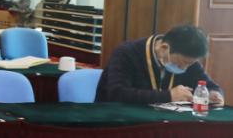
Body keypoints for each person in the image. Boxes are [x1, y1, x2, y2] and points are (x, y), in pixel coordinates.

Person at [96, 24, 224, 105]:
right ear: (164, 48)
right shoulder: (126, 53)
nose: (185, 68)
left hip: (163, 123)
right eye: (183, 63)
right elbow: (117, 93)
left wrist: (215, 94)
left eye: (190, 64)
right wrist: (168, 96)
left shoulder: (188, 59)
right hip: (119, 122)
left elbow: (210, 85)